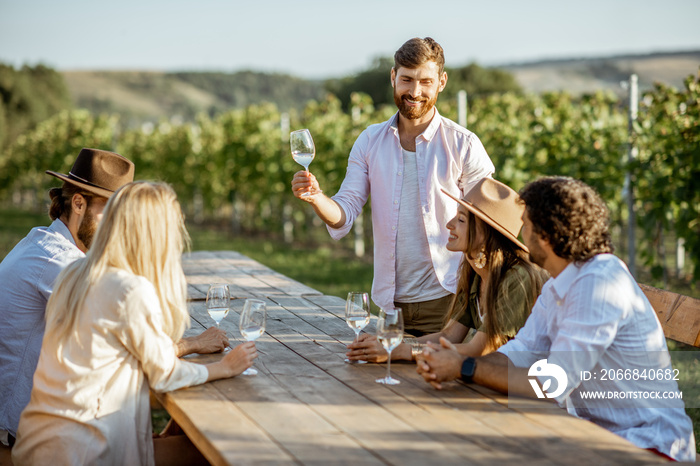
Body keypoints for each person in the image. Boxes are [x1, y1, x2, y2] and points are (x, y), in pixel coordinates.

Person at [417, 176, 696, 462]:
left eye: (525, 224)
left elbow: (553, 384)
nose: (520, 232)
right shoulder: (557, 286)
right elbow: (517, 354)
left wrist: (465, 366)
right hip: (594, 437)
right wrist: (455, 361)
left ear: (546, 235)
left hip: (647, 445)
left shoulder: (599, 284)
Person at [12, 181, 258, 465]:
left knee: (177, 435)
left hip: (39, 442)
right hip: (85, 450)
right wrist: (224, 368)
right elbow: (164, 375)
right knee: (210, 452)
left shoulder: (76, 272)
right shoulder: (129, 289)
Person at [292, 37, 495, 336]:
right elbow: (344, 213)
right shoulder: (369, 141)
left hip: (451, 302)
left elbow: (488, 222)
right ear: (393, 77)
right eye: (407, 80)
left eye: (426, 81)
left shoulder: (463, 144)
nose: (415, 92)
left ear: (442, 82)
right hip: (390, 308)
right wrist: (317, 197)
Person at [346, 178, 547, 363]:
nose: (449, 225)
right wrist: (393, 345)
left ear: (485, 233)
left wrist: (402, 352)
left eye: (461, 220)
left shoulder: (517, 278)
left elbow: (480, 349)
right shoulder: (475, 272)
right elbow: (449, 336)